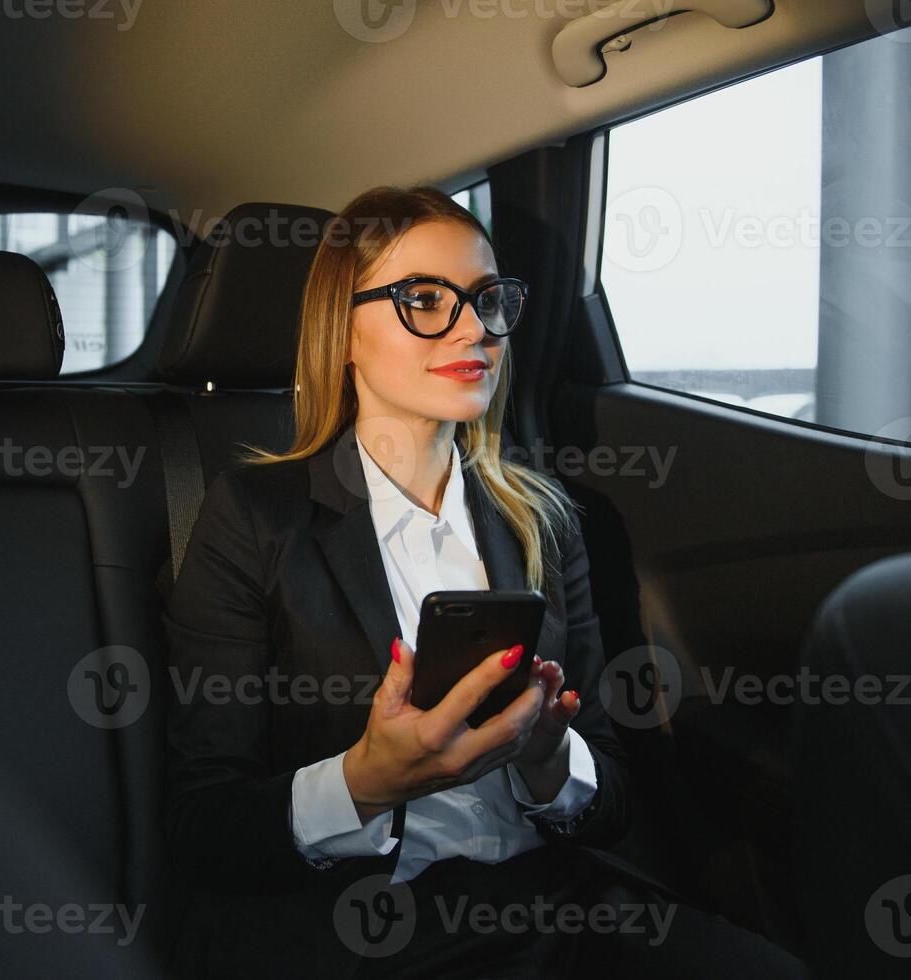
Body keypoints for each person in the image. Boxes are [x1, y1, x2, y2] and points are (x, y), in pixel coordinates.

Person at [162, 185, 806, 978]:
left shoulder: (544, 518)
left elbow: (611, 793)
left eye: (488, 298)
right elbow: (203, 824)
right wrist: (364, 782)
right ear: (344, 333)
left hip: (550, 910)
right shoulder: (255, 518)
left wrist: (548, 762)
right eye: (424, 299)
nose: (475, 328)